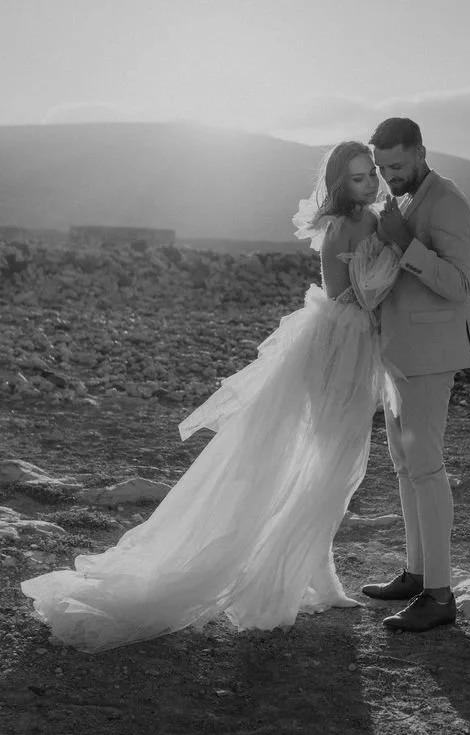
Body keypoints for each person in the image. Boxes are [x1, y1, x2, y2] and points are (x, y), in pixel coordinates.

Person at [21, 141, 400, 653]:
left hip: (361, 345)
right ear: (339, 183)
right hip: (336, 348)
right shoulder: (340, 228)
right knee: (326, 466)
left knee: (334, 468)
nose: (369, 183)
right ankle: (279, 579)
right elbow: (343, 294)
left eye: (371, 173)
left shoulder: (377, 220)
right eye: (357, 177)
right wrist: (378, 287)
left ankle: (316, 576)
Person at [361, 117, 470, 632]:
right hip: (397, 353)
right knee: (404, 465)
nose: (389, 177)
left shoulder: (447, 201)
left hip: (431, 355)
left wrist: (404, 244)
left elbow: (457, 283)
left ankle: (439, 594)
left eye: (397, 165)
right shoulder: (403, 199)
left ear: (421, 152)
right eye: (382, 168)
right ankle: (415, 573)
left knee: (426, 468)